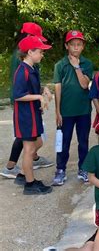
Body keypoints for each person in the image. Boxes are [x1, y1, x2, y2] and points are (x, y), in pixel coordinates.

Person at [1, 22, 53, 182]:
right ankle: (16, 168)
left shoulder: (29, 59)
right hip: (25, 105)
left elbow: (32, 82)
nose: (41, 44)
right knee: (26, 140)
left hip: (30, 104)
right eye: (37, 39)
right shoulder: (23, 62)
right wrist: (38, 97)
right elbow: (20, 90)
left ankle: (27, 163)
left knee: (32, 140)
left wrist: (42, 89)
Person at [13, 35, 53, 195]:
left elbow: (34, 87)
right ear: (30, 52)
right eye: (40, 52)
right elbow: (18, 95)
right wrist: (38, 97)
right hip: (25, 116)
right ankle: (30, 184)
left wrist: (44, 90)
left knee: (38, 142)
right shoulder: (22, 71)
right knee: (29, 150)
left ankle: (23, 174)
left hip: (33, 114)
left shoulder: (31, 69)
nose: (42, 55)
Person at [53, 30, 94, 185]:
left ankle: (83, 168)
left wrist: (77, 67)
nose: (76, 48)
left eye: (79, 44)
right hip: (66, 111)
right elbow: (57, 89)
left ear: (83, 46)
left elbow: (85, 84)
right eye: (72, 44)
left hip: (83, 110)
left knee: (83, 141)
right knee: (64, 141)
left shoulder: (87, 64)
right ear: (67, 46)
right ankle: (60, 169)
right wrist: (57, 111)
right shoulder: (60, 65)